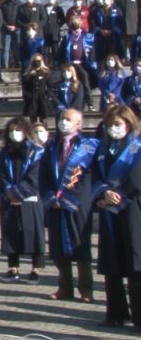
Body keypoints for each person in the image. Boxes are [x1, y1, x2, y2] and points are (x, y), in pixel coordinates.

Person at [39, 109, 98, 303]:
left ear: (78, 124)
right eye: (61, 119)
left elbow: (88, 177)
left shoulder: (88, 147)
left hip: (78, 204)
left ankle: (86, 288)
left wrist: (71, 198)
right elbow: (44, 175)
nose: (63, 122)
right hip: (55, 203)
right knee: (58, 247)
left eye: (68, 119)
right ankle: (64, 287)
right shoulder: (51, 147)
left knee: (81, 247)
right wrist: (50, 197)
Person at [92, 106, 141, 329]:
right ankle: (116, 312)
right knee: (111, 261)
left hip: (132, 208)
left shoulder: (137, 147)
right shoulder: (103, 149)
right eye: (110, 125)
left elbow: (136, 177)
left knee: (135, 262)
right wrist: (103, 194)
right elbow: (95, 176)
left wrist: (119, 196)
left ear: (128, 124)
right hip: (108, 210)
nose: (113, 129)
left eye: (118, 124)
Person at [0, 117, 45, 284]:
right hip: (9, 198)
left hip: (30, 198)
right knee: (10, 232)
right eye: (11, 131)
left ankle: (35, 269)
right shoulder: (4, 153)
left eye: (18, 130)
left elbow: (35, 176)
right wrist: (9, 192)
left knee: (33, 231)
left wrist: (19, 193)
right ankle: (12, 267)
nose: (14, 134)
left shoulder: (35, 152)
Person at [22, 53, 54, 123]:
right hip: (32, 98)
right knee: (33, 119)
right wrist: (30, 76)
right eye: (35, 61)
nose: (37, 63)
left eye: (39, 61)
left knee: (43, 119)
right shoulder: (27, 73)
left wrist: (47, 95)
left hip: (42, 98)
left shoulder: (46, 72)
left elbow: (50, 85)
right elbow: (24, 86)